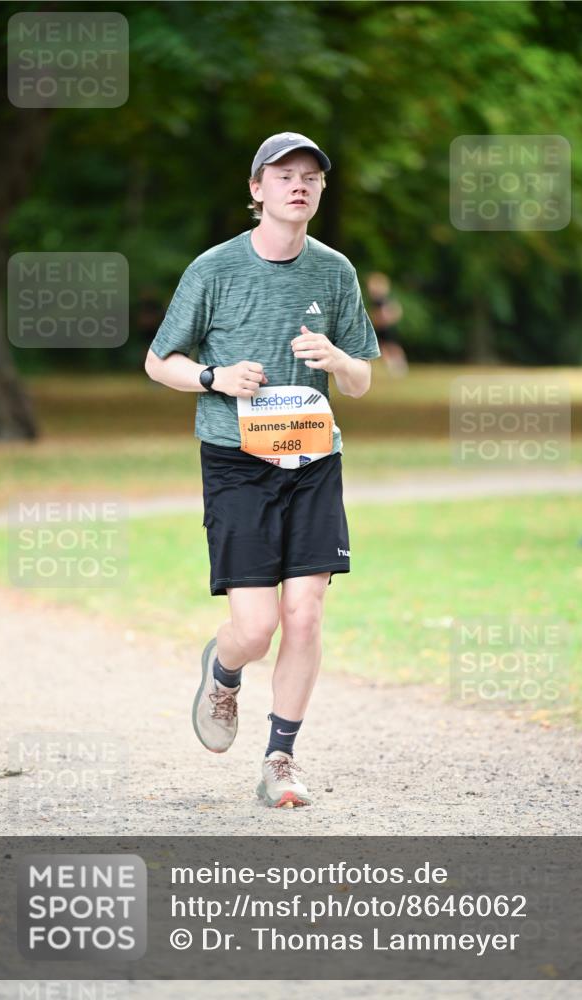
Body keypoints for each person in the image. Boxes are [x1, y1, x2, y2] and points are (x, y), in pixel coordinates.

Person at [144, 131, 380, 808]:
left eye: (310, 176)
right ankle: (221, 675)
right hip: (236, 463)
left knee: (303, 617)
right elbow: (160, 361)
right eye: (283, 176)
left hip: (311, 460)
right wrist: (216, 377)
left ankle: (280, 756)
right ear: (256, 190)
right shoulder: (213, 269)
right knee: (256, 628)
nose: (297, 185)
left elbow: (361, 381)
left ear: (320, 191)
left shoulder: (335, 271)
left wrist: (335, 359)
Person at [366, 271, 409, 377]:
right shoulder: (378, 300)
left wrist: (384, 319)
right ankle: (394, 367)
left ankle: (398, 367)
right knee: (386, 347)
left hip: (385, 327)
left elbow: (390, 312)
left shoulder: (381, 300)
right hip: (382, 327)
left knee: (390, 347)